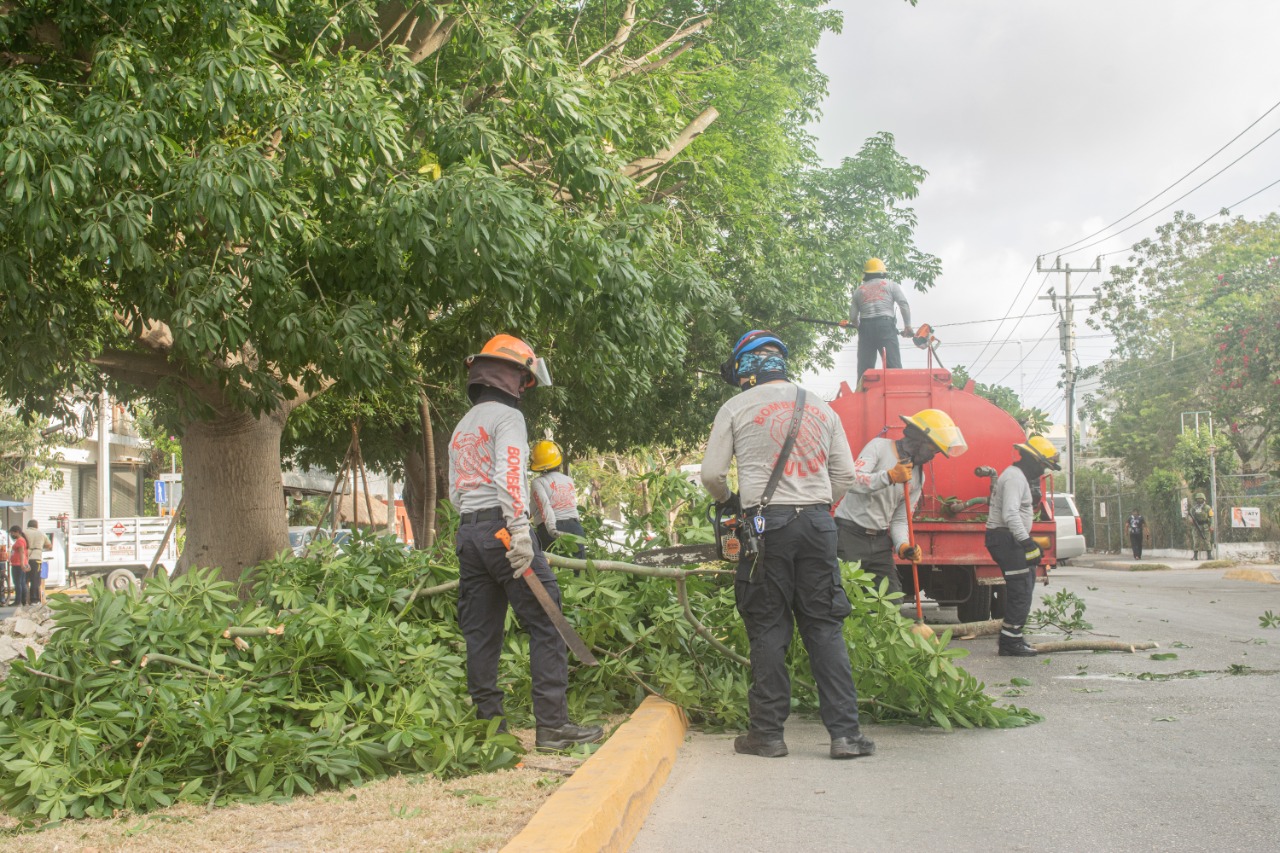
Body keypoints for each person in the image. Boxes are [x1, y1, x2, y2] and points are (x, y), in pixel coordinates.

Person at [701, 329, 874, 760]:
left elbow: (712, 475)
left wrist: (731, 501)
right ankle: (845, 736)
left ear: (745, 368)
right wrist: (816, 505)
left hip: (765, 526)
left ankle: (767, 734)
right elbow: (845, 476)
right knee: (824, 627)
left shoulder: (736, 407)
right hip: (818, 523)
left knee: (768, 625)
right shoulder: (822, 407)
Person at [447, 334, 602, 752]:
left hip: (469, 534)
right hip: (503, 530)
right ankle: (552, 726)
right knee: (546, 621)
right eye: (523, 378)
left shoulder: (463, 425)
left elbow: (455, 492)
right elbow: (510, 476)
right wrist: (518, 530)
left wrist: (475, 527)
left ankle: (490, 730)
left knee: (481, 633)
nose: (524, 387)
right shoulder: (508, 417)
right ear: (511, 376)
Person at [835, 409, 968, 598]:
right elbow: (852, 481)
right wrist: (889, 476)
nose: (933, 455)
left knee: (891, 601)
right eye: (933, 448)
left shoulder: (917, 476)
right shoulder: (879, 447)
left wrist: (903, 546)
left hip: (880, 542)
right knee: (845, 599)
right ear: (919, 438)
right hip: (849, 536)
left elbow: (900, 519)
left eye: (938, 451)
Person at [985, 435, 1061, 657]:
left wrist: (1027, 543)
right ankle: (1010, 643)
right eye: (1043, 466)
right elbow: (1010, 514)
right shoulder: (1015, 478)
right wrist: (1027, 543)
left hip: (1011, 538)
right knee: (1020, 589)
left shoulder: (1017, 477)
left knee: (1026, 584)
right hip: (1006, 538)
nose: (1042, 472)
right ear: (1034, 461)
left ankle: (1013, 637)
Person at [843, 258, 913, 381]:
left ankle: (863, 389)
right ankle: (895, 387)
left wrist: (859, 327)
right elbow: (903, 304)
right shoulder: (891, 285)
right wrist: (907, 326)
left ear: (866, 274)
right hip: (885, 325)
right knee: (893, 365)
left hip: (865, 326)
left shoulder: (858, 291)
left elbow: (853, 316)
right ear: (882, 272)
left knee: (865, 369)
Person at [529, 440, 587, 560]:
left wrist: (552, 529)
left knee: (552, 570)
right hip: (575, 529)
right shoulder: (568, 480)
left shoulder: (538, 482)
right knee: (578, 569)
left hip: (550, 530)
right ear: (558, 460)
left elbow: (545, 506)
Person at [24, 519, 47, 605]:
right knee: (35, 580)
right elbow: (49, 545)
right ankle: (34, 599)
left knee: (25, 580)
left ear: (28, 525)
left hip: (26, 558)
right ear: (37, 526)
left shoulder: (24, 532)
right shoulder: (41, 533)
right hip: (37, 559)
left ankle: (25, 599)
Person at [1188, 492, 1213, 560]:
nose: (1199, 500)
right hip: (1196, 526)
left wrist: (1211, 525)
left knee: (1207, 540)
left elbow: (1211, 517)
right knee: (1196, 541)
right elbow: (1190, 515)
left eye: (1201, 499)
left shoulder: (1208, 508)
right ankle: (1195, 556)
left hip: (1205, 526)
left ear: (1204, 499)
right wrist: (1190, 519)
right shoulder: (1194, 508)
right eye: (1198, 499)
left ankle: (1209, 556)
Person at [7, 527, 28, 607]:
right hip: (19, 563)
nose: (12, 535)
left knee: (18, 583)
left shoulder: (20, 541)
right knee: (22, 582)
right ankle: (23, 601)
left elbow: (22, 552)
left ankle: (18, 601)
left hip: (18, 564)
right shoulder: (21, 540)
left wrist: (22, 564)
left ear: (17, 532)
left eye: (12, 533)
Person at [0, 525, 9, 606]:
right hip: (2, 560)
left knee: (1, 580)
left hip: (2, 559)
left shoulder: (4, 534)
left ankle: (2, 599)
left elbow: (9, 545)